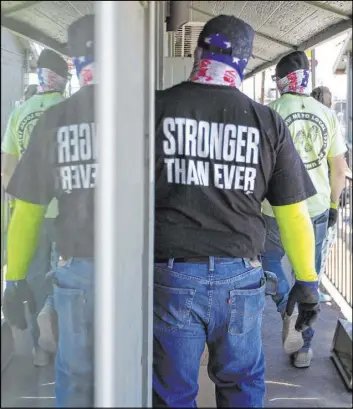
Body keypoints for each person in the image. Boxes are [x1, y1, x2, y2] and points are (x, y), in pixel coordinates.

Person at [154, 16, 320, 407]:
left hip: (171, 273)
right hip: (241, 278)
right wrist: (308, 283)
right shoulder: (267, 123)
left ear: (198, 52)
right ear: (244, 62)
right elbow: (292, 213)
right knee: (241, 386)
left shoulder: (157, 108)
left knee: (172, 393)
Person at [3, 14, 95, 407]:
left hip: (75, 256)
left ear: (76, 64)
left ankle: (45, 317)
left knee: (75, 375)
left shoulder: (51, 118)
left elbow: (22, 202)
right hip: (140, 266)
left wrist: (14, 278)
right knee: (138, 367)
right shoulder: (149, 112)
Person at [262, 52, 348, 369]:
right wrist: (336, 206)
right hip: (317, 208)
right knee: (309, 277)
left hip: (276, 209)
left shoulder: (269, 113)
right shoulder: (326, 114)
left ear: (281, 81)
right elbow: (339, 169)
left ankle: (286, 303)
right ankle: (304, 350)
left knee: (269, 262)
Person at [1, 48, 69, 367]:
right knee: (66, 272)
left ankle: (40, 351)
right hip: (65, 209)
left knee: (35, 275)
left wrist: (19, 204)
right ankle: (59, 335)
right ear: (62, 79)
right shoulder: (67, 109)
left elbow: (7, 169)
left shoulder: (18, 114)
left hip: (29, 211)